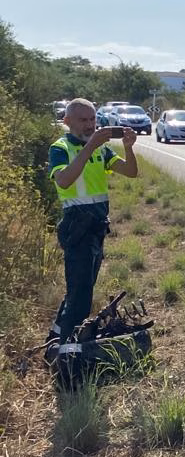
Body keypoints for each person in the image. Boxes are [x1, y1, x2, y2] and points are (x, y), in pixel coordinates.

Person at [47, 98, 138, 343]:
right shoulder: (61, 148)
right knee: (81, 294)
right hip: (77, 226)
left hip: (97, 226)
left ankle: (56, 338)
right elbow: (64, 180)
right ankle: (69, 355)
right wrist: (90, 146)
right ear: (67, 122)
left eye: (92, 120)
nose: (90, 125)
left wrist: (129, 147)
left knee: (80, 288)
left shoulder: (101, 148)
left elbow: (131, 172)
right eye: (83, 120)